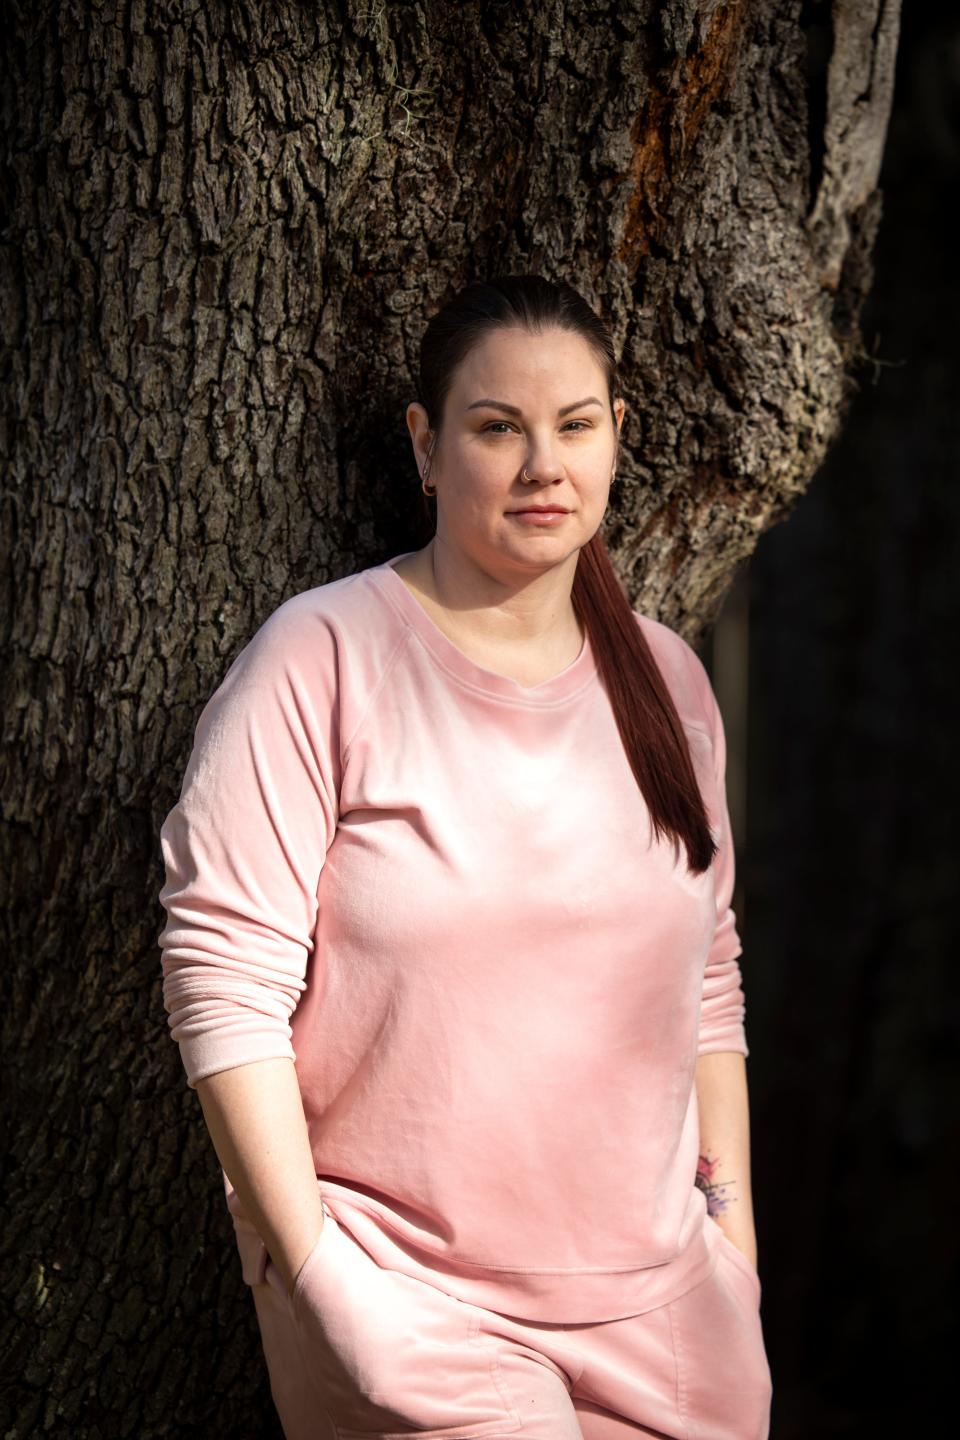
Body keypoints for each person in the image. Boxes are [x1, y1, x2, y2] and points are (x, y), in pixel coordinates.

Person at [157, 273, 773, 1439]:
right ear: (427, 447)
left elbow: (708, 977)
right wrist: (320, 1273)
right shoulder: (321, 659)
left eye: (575, 425)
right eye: (499, 428)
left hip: (672, 1322)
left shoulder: (671, 681)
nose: (544, 463)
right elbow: (222, 982)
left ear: (616, 437)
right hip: (413, 1315)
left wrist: (732, 1246)